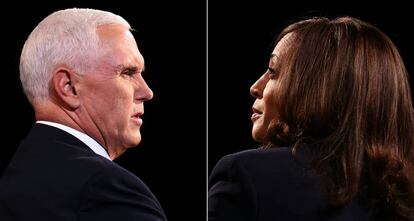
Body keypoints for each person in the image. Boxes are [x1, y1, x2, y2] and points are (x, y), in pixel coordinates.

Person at [209, 16, 414, 220]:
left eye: (273, 72)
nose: (255, 87)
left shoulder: (245, 176)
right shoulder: (401, 197)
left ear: (319, 90)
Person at [0, 8, 167, 220]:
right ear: (69, 87)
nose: (147, 92)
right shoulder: (105, 188)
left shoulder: (16, 176)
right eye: (127, 73)